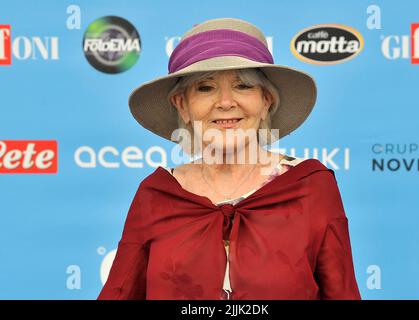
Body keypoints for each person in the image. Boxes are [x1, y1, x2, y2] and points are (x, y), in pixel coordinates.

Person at [97, 17, 361, 300]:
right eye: (205, 87)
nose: (225, 102)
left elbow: (342, 294)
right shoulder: (157, 195)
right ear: (182, 105)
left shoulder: (310, 187)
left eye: (243, 86)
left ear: (266, 101)